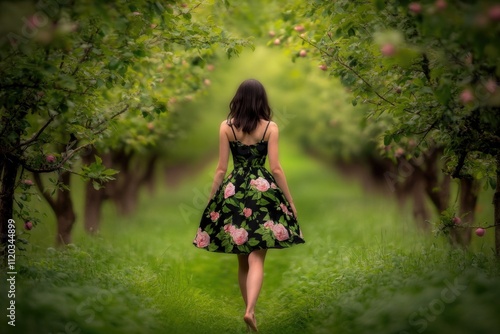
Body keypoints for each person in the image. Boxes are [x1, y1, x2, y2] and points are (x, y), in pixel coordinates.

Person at [193, 78, 305, 332]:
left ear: (239, 98)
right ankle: (250, 310)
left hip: (234, 192)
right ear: (261, 100)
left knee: (242, 260)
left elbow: (221, 169)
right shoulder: (271, 128)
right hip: (262, 194)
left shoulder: (226, 126)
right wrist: (289, 201)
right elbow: (275, 168)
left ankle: (248, 312)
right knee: (258, 259)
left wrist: (212, 199)